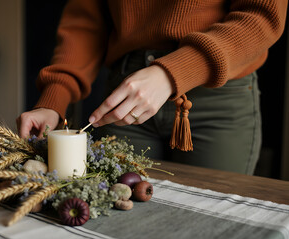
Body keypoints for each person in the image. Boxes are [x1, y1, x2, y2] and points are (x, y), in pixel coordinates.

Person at [17, 0, 288, 175]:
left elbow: (261, 15)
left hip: (215, 94)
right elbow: (86, 22)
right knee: (117, 215)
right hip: (125, 98)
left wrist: (172, 73)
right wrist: (53, 98)